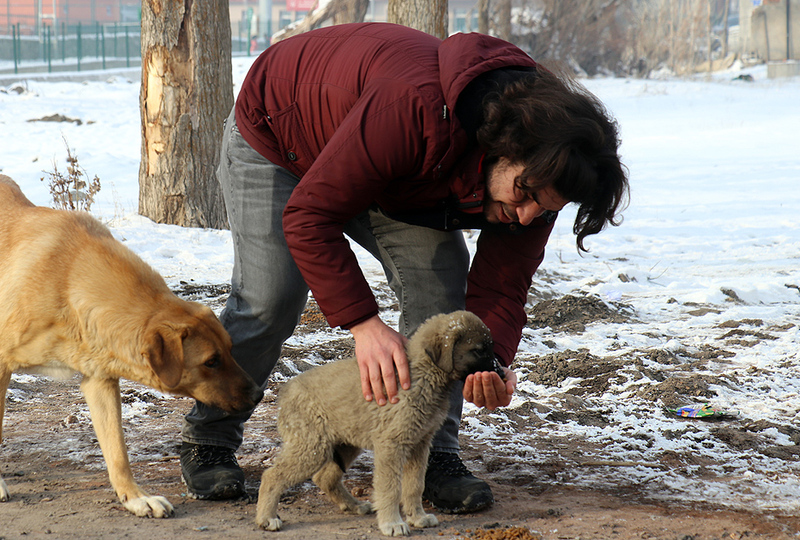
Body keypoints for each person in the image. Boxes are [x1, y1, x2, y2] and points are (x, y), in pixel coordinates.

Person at [179, 22, 628, 513]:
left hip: (396, 173)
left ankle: (433, 453)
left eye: (545, 208)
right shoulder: (415, 109)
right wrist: (364, 324)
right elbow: (310, 216)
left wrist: (491, 361)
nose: (526, 216)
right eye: (524, 194)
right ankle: (210, 438)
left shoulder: (547, 172)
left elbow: (503, 285)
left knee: (440, 287)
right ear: (506, 146)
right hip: (281, 136)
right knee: (273, 296)